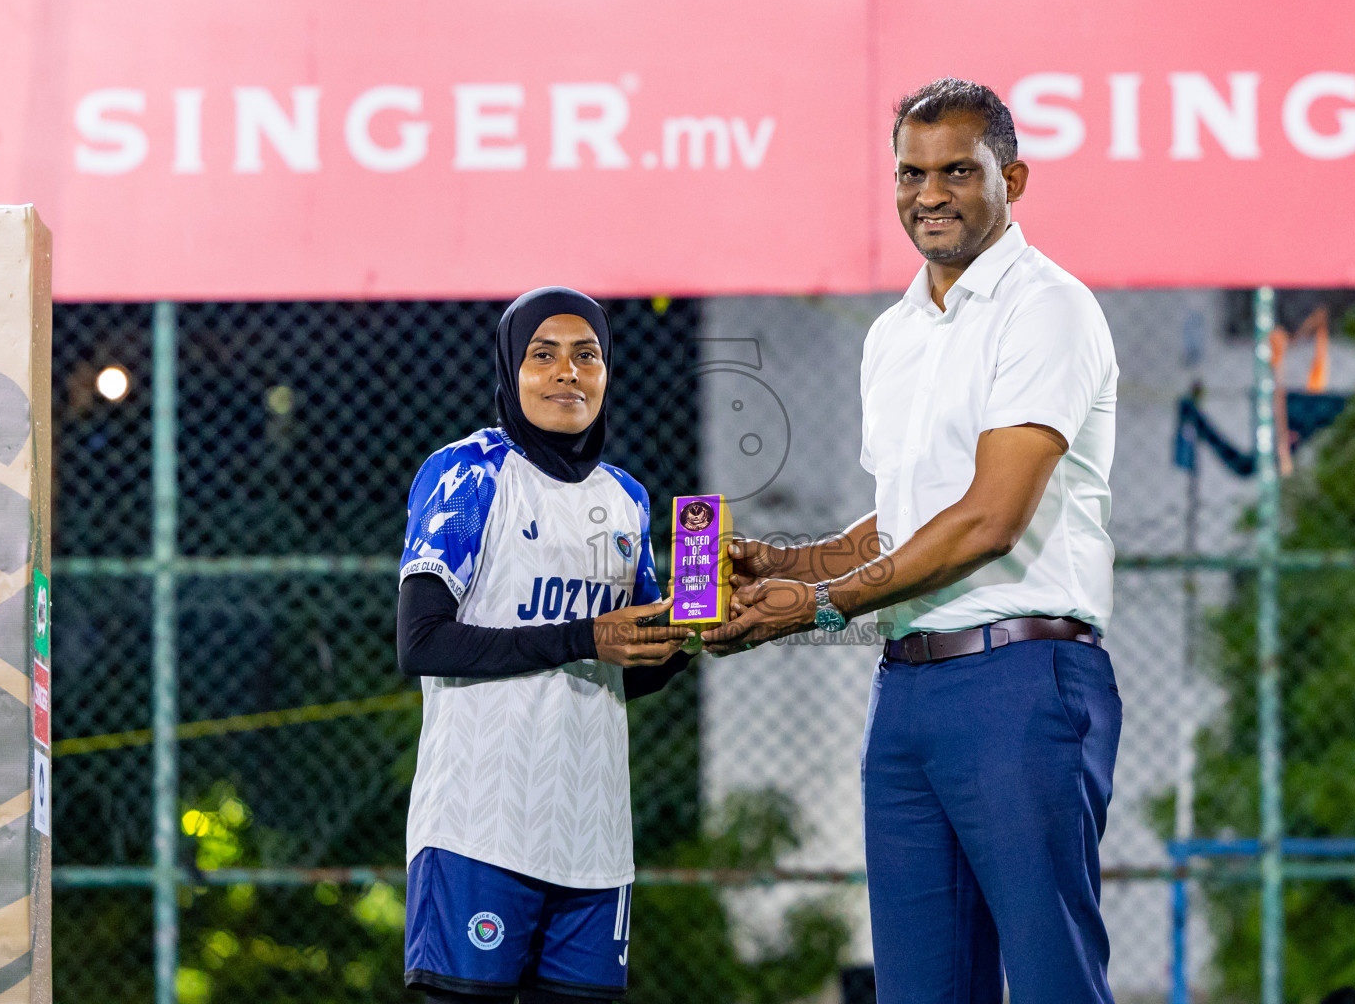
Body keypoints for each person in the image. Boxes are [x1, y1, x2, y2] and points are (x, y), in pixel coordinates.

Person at [704, 78, 1122, 1003]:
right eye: (910, 172)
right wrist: (787, 563)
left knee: (1052, 981)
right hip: (907, 690)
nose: (929, 193)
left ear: (1012, 176)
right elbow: (904, 518)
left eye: (958, 172)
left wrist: (815, 605)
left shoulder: (1047, 308)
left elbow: (988, 517)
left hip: (1021, 683)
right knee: (921, 988)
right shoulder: (892, 334)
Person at [396, 287, 693, 1004]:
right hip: (480, 827)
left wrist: (699, 632)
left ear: (608, 372)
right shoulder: (467, 473)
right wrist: (584, 634)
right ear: (509, 368)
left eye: (586, 355)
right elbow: (423, 642)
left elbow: (632, 670)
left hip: (594, 840)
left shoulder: (627, 498)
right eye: (544, 355)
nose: (567, 372)